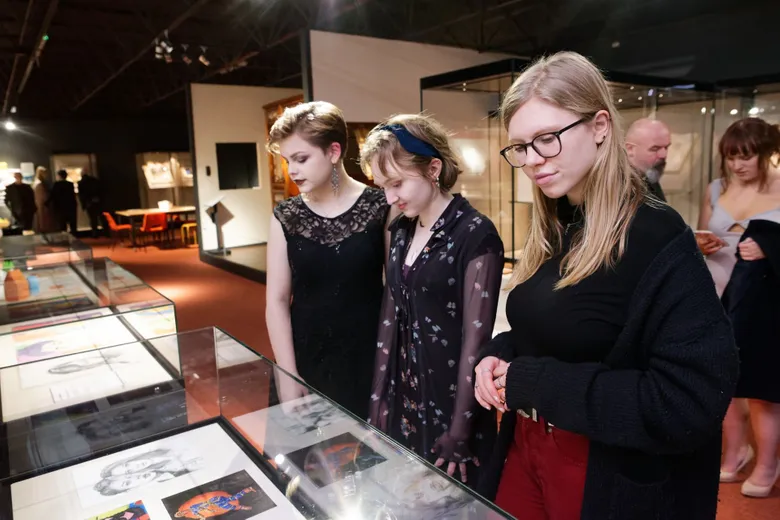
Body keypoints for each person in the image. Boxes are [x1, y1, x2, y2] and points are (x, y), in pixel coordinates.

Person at [472, 51, 739, 520]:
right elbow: (563, 329)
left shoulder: (654, 233)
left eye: (547, 139)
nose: (532, 160)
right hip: (527, 446)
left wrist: (535, 382)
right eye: (520, 146)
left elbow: (689, 403)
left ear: (599, 127)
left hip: (604, 471)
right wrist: (504, 352)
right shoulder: (557, 223)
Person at [362, 114, 504, 487]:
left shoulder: (476, 234)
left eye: (396, 183)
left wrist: (459, 430)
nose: (390, 197)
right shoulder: (402, 228)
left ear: (433, 169)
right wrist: (378, 400)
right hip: (406, 392)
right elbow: (389, 318)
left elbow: (476, 341)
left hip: (451, 399)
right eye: (382, 187)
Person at [265, 101, 390, 419]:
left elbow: (395, 293)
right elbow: (276, 301)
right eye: (286, 160)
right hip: (303, 359)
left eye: (301, 159)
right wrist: (287, 373)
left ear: (334, 152)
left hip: (367, 358)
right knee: (299, 464)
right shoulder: (286, 216)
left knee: (371, 464)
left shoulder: (381, 208)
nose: (291, 171)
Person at [697, 117, 780, 497]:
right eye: (731, 157)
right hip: (716, 292)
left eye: (746, 156)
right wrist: (699, 242)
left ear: (766, 154)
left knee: (763, 388)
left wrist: (770, 247)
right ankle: (734, 452)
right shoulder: (716, 188)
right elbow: (700, 232)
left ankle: (768, 464)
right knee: (723, 383)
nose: (738, 165)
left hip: (763, 301)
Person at [625, 117, 672, 201]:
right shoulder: (618, 186)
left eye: (666, 147)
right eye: (655, 149)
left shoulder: (649, 178)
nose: (663, 155)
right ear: (630, 149)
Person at [49, 169, 78, 234]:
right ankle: (75, 237)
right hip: (70, 206)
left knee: (62, 224)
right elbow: (72, 196)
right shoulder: (70, 184)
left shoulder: (56, 185)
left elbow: (53, 195)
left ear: (59, 176)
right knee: (72, 224)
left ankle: (65, 238)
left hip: (60, 207)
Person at [78, 172, 103, 237]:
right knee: (100, 216)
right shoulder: (95, 181)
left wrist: (84, 204)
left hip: (89, 203)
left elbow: (82, 195)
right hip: (97, 201)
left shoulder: (81, 183)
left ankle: (94, 232)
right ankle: (105, 232)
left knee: (92, 218)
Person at [33, 166, 56, 233]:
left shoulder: (40, 183)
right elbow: (41, 197)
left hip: (43, 205)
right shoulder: (39, 183)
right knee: (42, 222)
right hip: (42, 206)